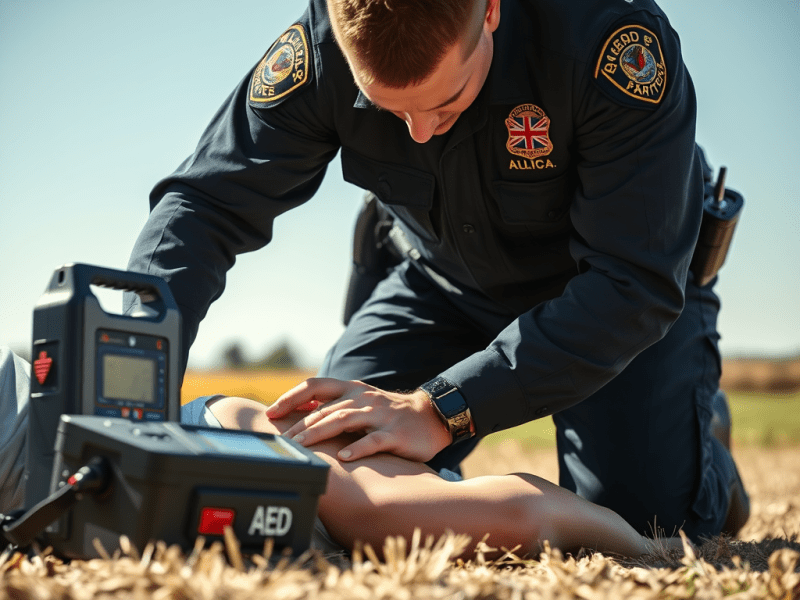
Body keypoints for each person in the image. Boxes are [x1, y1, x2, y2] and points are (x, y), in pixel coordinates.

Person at [125, 0, 750, 545]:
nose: (420, 133)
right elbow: (205, 206)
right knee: (334, 464)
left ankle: (701, 440)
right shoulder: (324, 43)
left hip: (607, 306)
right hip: (443, 286)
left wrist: (440, 409)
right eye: (387, 109)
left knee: (643, 525)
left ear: (491, 10)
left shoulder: (609, 41)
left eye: (445, 102)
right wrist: (134, 363)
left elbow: (632, 283)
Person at [0, 346, 687, 559]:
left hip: (214, 440)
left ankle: (664, 506)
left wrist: (654, 554)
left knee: (386, 515)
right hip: (109, 486)